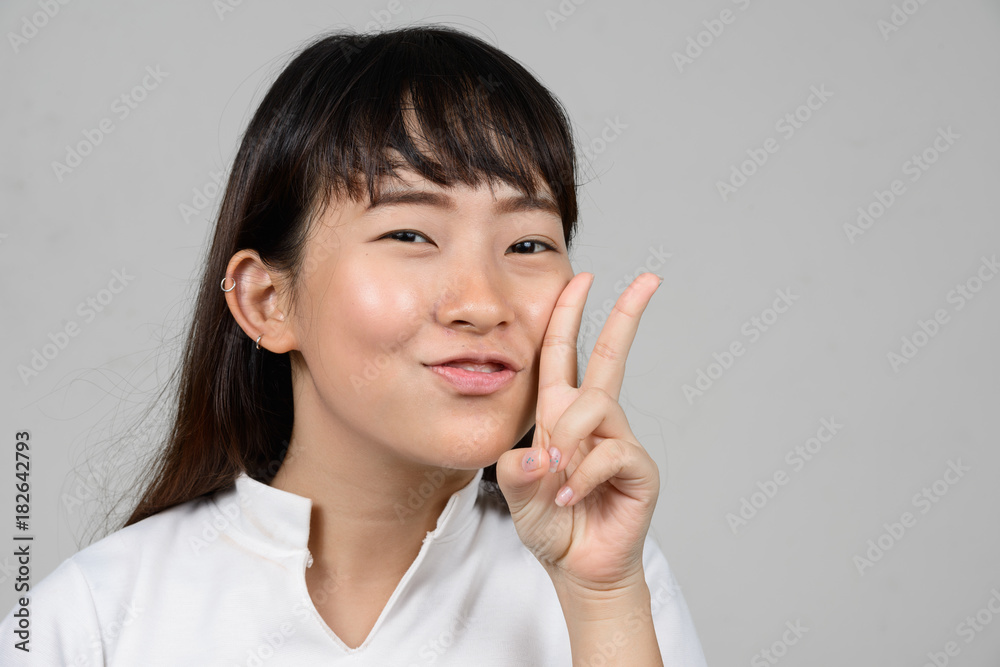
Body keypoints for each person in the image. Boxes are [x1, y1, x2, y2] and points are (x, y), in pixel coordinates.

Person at [0, 24, 708, 665]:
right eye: (410, 234)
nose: (484, 303)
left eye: (527, 243)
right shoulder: (91, 619)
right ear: (265, 300)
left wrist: (603, 598)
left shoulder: (613, 582)